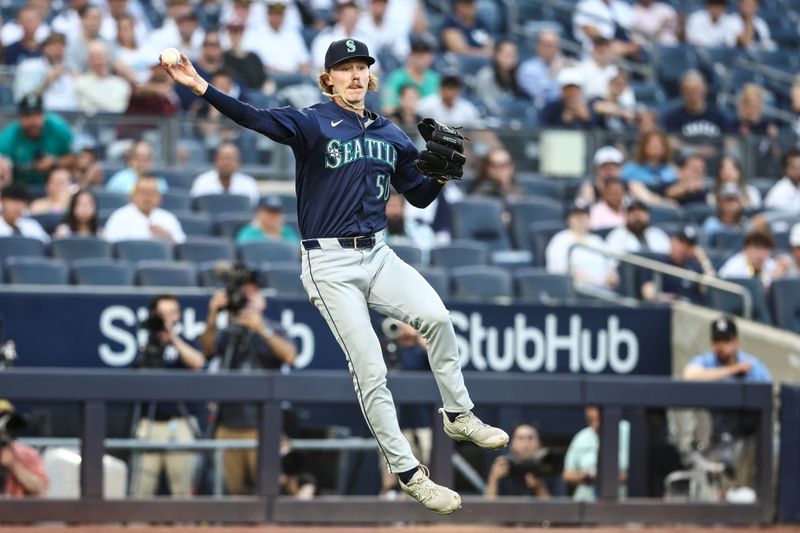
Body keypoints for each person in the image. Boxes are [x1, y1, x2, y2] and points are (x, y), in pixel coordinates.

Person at [162, 38, 509, 514]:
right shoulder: (312, 120)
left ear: (370, 75)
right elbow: (256, 118)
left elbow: (420, 196)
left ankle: (458, 413)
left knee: (438, 318)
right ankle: (409, 473)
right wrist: (200, 85)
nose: (354, 75)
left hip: (378, 253)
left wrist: (442, 175)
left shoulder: (390, 133)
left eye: (361, 66)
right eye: (344, 68)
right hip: (328, 262)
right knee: (371, 366)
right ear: (328, 79)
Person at [200, 269, 297, 495]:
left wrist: (261, 329)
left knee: (266, 490)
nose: (248, 299)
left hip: (261, 425)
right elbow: (207, 351)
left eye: (252, 294)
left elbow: (290, 355)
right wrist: (213, 314)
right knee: (233, 492)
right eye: (244, 294)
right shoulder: (228, 332)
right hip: (228, 424)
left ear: (261, 299)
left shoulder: (273, 328)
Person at [681, 316, 771, 489]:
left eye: (726, 340)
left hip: (745, 437)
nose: (721, 346)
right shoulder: (708, 361)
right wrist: (733, 370)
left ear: (737, 342)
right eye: (717, 340)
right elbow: (689, 375)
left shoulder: (752, 366)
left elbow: (768, 393)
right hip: (712, 437)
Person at [131, 294, 205, 497]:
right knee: (140, 493)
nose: (167, 319)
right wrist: (155, 345)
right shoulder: (146, 348)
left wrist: (172, 339)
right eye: (162, 314)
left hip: (180, 424)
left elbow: (198, 363)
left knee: (181, 494)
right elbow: (137, 380)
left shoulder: (187, 342)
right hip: (150, 424)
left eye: (171, 313)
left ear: (179, 316)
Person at [378, 321, 434, 496]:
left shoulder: (420, 349)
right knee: (391, 472)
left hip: (423, 421)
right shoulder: (389, 348)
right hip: (395, 422)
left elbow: (440, 361)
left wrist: (417, 336)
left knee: (423, 469)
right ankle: (390, 506)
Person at [0, 94, 74, 188]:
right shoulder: (11, 134)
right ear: (20, 118)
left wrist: (55, 162)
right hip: (19, 189)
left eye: (37, 114)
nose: (33, 121)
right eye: (27, 115)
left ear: (43, 115)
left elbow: (76, 157)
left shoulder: (57, 128)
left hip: (54, 187)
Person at [563, 405, 629, 501]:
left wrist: (605, 478)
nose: (591, 412)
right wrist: (583, 476)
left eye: (594, 408)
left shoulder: (627, 430)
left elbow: (639, 472)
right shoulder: (581, 437)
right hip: (586, 501)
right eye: (588, 409)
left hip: (620, 502)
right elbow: (566, 475)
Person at [546, 203, 617, 291]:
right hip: (576, 290)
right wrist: (596, 283)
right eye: (576, 216)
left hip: (606, 290)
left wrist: (612, 276)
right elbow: (561, 270)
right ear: (568, 219)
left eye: (584, 216)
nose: (580, 220)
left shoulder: (597, 240)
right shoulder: (560, 239)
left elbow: (612, 264)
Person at [640, 225, 715, 303]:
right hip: (670, 310)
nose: (683, 248)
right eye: (681, 242)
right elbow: (648, 293)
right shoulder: (657, 262)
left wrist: (703, 259)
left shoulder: (695, 267)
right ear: (671, 241)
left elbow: (709, 289)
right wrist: (672, 299)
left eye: (688, 245)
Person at [104, 175, 186, 244]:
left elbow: (181, 246)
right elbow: (111, 244)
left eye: (152, 193)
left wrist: (167, 236)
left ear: (160, 197)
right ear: (132, 196)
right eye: (143, 193)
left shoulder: (168, 218)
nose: (148, 197)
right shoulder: (119, 216)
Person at [13, 32, 78, 113]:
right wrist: (47, 82)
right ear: (44, 49)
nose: (58, 50)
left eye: (61, 46)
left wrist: (79, 82)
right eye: (54, 46)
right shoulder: (30, 66)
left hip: (71, 117)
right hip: (40, 117)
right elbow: (24, 99)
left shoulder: (70, 71)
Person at [485, 423, 552, 499]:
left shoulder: (551, 467)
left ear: (540, 444)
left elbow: (557, 509)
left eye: (530, 438)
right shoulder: (505, 467)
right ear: (512, 444)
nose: (525, 443)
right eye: (520, 438)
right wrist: (494, 478)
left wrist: (539, 487)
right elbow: (489, 506)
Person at [380, 34, 439, 115]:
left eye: (426, 55)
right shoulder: (397, 77)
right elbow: (387, 107)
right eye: (419, 55)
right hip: (403, 122)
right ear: (411, 55)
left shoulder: (434, 78)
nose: (423, 59)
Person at [0, 399, 48, 497]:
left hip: (17, 510)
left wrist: (13, 465)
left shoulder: (27, 454)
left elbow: (40, 490)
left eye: (5, 418)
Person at [662, 70, 730, 138]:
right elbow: (671, 141)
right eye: (688, 90)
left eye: (695, 89)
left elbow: (729, 140)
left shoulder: (719, 116)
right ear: (682, 92)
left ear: (704, 90)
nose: (692, 93)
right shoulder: (672, 119)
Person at [74, 39, 132, 115]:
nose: (98, 61)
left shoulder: (122, 84)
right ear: (88, 60)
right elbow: (88, 112)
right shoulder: (80, 83)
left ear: (108, 58)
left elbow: (117, 108)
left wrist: (95, 102)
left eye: (101, 56)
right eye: (94, 57)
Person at [190, 143, 259, 206]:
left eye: (231, 159)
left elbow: (253, 210)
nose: (227, 163)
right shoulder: (202, 181)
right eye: (223, 158)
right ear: (215, 161)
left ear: (238, 163)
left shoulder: (248, 183)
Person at [719, 229, 790, 288]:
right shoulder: (734, 267)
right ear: (746, 248)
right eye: (756, 248)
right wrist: (772, 279)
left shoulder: (771, 264)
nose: (760, 254)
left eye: (765, 249)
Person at [621, 130, 678, 205]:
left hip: (666, 206)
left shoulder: (670, 169)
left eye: (659, 144)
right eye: (652, 143)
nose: (656, 146)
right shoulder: (630, 168)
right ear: (643, 146)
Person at [473, 39, 526, 118]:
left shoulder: (516, 76)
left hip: (508, 119)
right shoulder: (486, 75)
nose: (512, 59)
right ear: (497, 55)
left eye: (514, 55)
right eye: (508, 55)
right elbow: (483, 103)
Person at [572, 0, 639, 60]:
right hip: (594, 56)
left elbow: (637, 37)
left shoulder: (624, 7)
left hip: (625, 57)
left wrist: (625, 48)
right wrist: (613, 45)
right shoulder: (586, 5)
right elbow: (592, 33)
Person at [517, 29, 568, 108]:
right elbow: (538, 99)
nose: (549, 48)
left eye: (552, 45)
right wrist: (552, 75)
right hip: (540, 113)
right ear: (538, 46)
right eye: (546, 44)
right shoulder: (528, 69)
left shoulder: (565, 66)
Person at [416, 74, 484, 129]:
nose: (451, 91)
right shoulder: (427, 104)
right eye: (448, 87)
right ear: (440, 88)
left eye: (454, 87)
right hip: (430, 142)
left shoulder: (467, 109)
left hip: (458, 143)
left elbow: (477, 129)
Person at [606, 200, 670, 254]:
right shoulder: (616, 235)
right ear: (626, 216)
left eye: (641, 213)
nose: (637, 217)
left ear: (648, 216)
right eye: (633, 213)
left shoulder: (658, 234)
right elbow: (613, 262)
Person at [235, 195, 300, 246]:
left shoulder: (287, 231)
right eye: (269, 212)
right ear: (258, 213)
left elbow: (297, 249)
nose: (273, 216)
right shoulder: (249, 231)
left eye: (276, 212)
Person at [223, 19, 268, 91]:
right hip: (237, 94)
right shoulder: (224, 56)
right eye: (232, 32)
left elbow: (264, 78)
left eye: (239, 32)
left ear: (243, 33)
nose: (235, 35)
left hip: (257, 93)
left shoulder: (253, 56)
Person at [764, 149, 800, 214]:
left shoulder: (797, 186)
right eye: (794, 168)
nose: (798, 171)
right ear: (785, 169)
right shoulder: (780, 191)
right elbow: (780, 222)